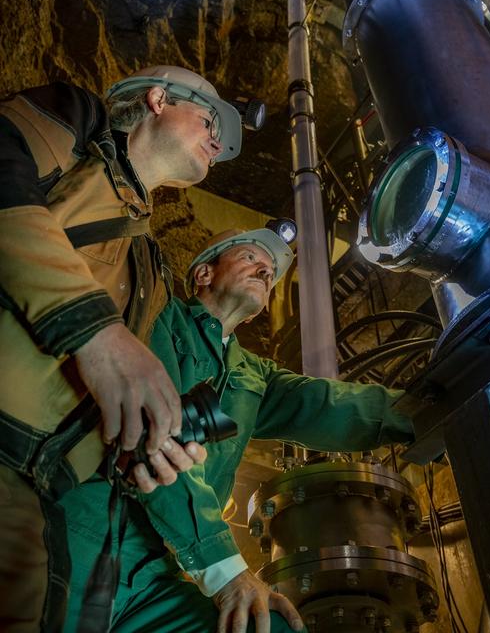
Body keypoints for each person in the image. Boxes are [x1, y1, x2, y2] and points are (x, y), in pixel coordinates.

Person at [61, 227, 415, 633]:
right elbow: (160, 442)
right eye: (251, 257)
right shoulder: (156, 316)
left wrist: (425, 412)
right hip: (85, 535)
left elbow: (326, 405)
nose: (265, 271)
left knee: (270, 628)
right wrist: (227, 572)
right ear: (204, 274)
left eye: (271, 273)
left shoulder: (252, 375)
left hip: (158, 571)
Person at [0, 65, 243, 631]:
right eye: (210, 121)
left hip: (32, 504)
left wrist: (142, 450)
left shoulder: (150, 272)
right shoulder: (77, 125)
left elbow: (99, 391)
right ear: (158, 100)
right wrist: (95, 331)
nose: (219, 142)